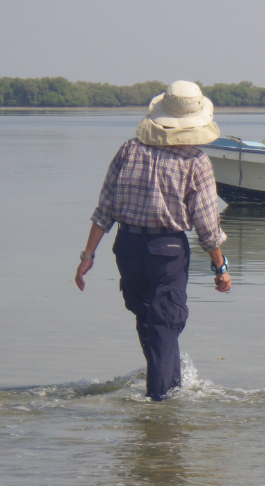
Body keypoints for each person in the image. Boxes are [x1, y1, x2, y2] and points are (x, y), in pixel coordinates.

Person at [74, 81, 231, 401]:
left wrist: (88, 255)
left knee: (150, 321)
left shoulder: (129, 149)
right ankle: (162, 403)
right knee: (165, 324)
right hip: (167, 250)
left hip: (127, 248)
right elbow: (206, 223)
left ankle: (164, 389)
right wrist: (221, 266)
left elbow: (105, 208)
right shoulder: (195, 160)